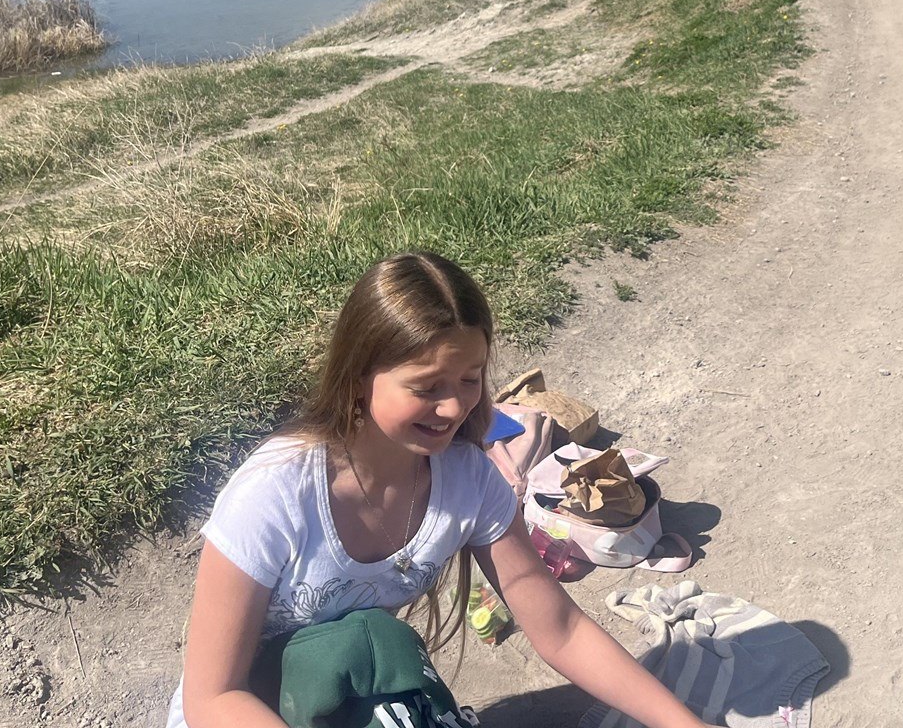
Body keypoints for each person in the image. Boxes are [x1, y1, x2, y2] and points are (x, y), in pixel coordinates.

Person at [168, 251, 710, 728]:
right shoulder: (275, 494)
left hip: (360, 700)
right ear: (358, 376)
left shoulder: (468, 481)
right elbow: (213, 696)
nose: (454, 408)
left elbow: (561, 628)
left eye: (470, 379)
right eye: (427, 388)